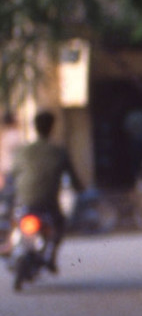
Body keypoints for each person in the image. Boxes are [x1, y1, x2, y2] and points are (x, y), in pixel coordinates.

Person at [10, 110, 82, 271]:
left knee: (14, 219)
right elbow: (74, 178)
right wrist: (80, 189)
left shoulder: (23, 151)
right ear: (51, 128)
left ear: (34, 127)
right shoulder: (59, 152)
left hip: (25, 201)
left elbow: (13, 174)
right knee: (60, 224)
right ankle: (51, 257)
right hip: (48, 202)